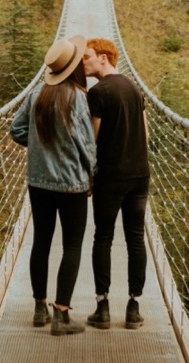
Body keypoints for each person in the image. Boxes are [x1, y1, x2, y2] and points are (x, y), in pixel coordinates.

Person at [10, 35, 96, 336]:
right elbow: (87, 145)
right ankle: (61, 315)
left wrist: (35, 146)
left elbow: (16, 129)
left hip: (38, 182)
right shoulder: (79, 98)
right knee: (72, 246)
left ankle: (39, 308)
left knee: (41, 242)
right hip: (72, 184)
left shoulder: (36, 95)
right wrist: (91, 176)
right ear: (73, 68)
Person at [82, 37, 150, 330]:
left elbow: (91, 141)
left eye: (87, 57)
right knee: (136, 238)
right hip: (139, 175)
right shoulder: (134, 88)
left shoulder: (97, 92)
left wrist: (87, 176)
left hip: (109, 177)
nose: (83, 63)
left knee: (103, 237)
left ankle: (103, 307)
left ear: (103, 58)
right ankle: (134, 308)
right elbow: (145, 135)